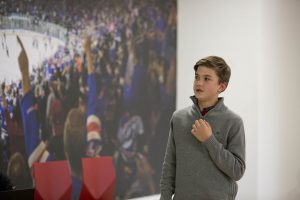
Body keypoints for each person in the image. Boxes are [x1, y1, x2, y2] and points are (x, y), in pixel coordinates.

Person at [160, 56, 246, 200]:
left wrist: (209, 140)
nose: (199, 83)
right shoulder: (178, 118)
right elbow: (169, 165)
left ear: (221, 86)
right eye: (197, 77)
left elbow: (237, 171)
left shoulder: (234, 121)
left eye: (206, 79)